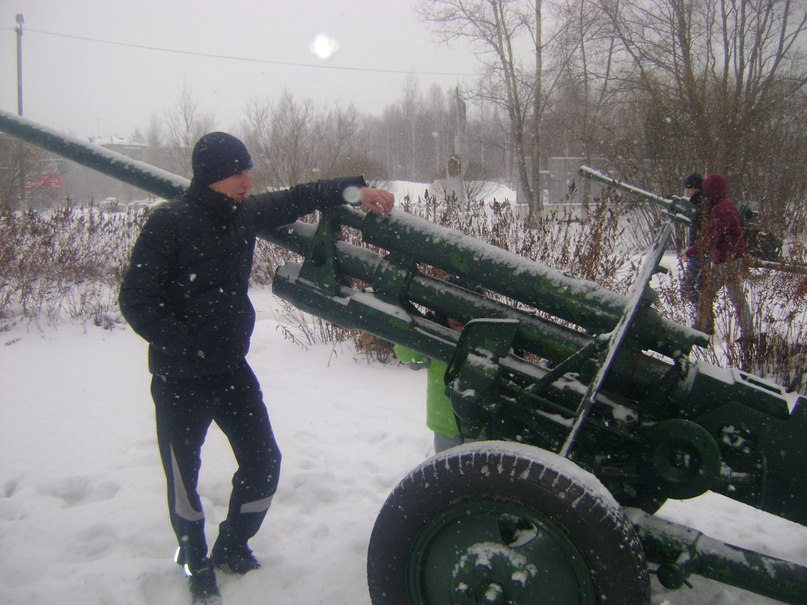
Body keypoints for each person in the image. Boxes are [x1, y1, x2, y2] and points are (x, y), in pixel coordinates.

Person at [118, 132, 393, 604]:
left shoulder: (243, 214)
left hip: (230, 371)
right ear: (211, 176)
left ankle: (232, 545)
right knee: (184, 480)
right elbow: (136, 300)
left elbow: (304, 195)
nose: (249, 179)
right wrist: (189, 346)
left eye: (248, 170)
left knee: (264, 462)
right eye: (238, 172)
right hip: (179, 378)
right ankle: (195, 561)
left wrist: (357, 192)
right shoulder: (170, 223)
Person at [683, 173, 752, 339]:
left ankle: (699, 330)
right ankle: (748, 333)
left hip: (727, 261)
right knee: (737, 299)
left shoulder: (722, 210)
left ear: (713, 191)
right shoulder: (725, 206)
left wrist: (691, 252)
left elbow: (712, 236)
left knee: (705, 294)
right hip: (732, 259)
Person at [393, 313, 465, 453]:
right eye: (451, 311)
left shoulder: (487, 337)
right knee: (447, 472)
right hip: (446, 425)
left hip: (482, 426)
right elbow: (409, 357)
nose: (458, 317)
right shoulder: (435, 335)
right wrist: (423, 329)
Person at [680, 173, 704, 303]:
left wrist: (692, 250)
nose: (687, 192)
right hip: (699, 251)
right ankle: (701, 313)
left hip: (699, 252)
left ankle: (701, 313)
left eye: (689, 188)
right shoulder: (699, 203)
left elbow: (704, 234)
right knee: (697, 287)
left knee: (688, 287)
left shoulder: (702, 205)